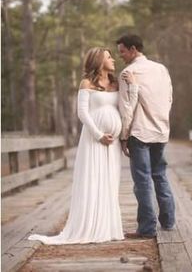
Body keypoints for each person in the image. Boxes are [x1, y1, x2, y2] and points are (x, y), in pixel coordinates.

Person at [28, 47, 138, 244]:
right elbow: (82, 113)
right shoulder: (86, 83)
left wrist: (133, 87)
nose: (113, 59)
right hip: (94, 140)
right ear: (98, 61)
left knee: (110, 181)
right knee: (93, 179)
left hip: (112, 143)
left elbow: (127, 106)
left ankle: (108, 226)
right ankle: (89, 225)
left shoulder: (116, 83)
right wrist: (98, 135)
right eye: (108, 56)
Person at [117, 34, 175, 239]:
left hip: (139, 132)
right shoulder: (161, 69)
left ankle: (147, 228)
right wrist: (162, 121)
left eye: (122, 51)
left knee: (142, 181)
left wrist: (123, 136)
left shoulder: (128, 73)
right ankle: (168, 222)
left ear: (133, 50)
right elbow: (169, 98)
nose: (120, 56)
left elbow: (127, 108)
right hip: (161, 131)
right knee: (160, 175)